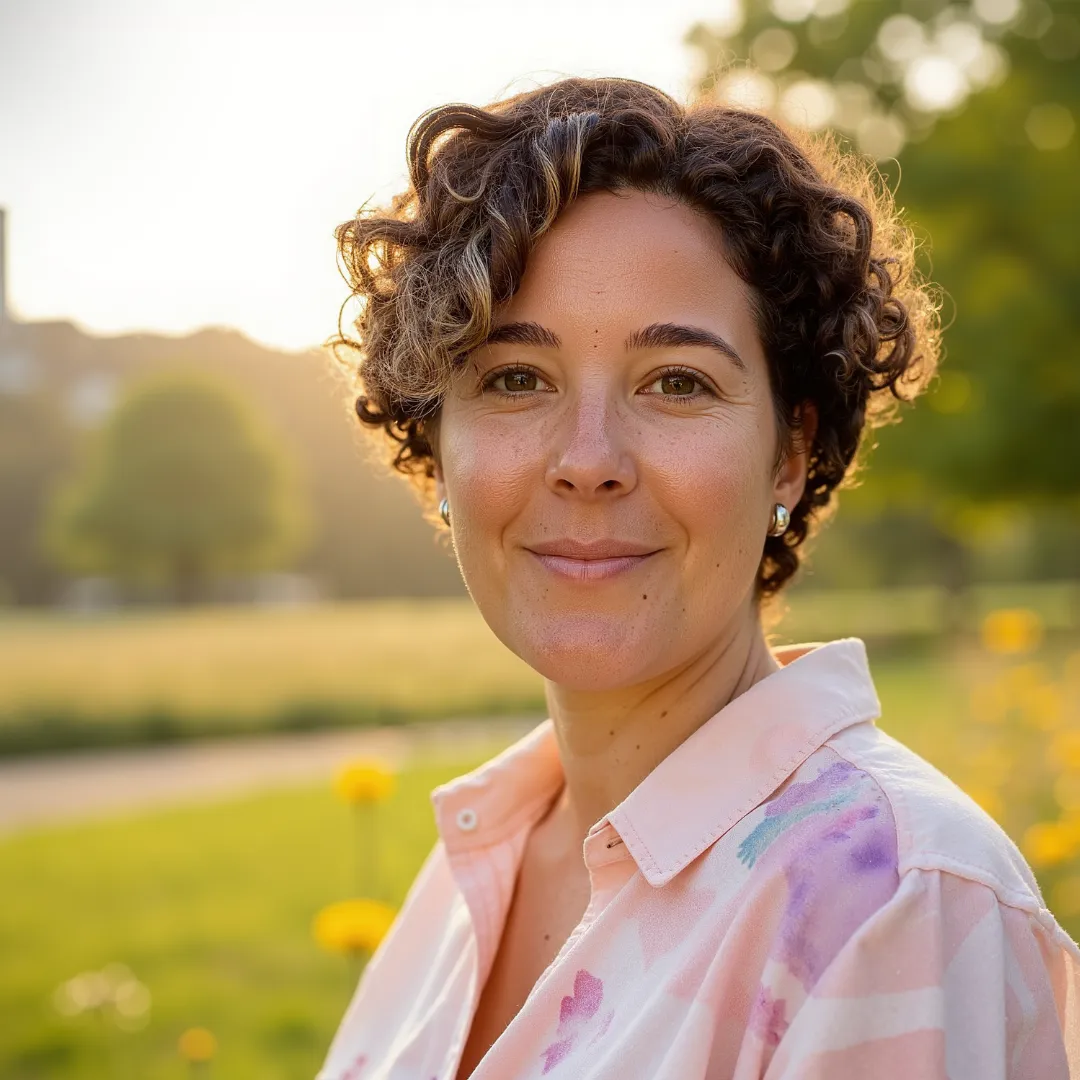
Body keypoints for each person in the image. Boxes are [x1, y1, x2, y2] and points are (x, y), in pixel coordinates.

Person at [319, 76, 1079, 1079]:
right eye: (515, 378)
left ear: (789, 453)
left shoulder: (892, 904)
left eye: (677, 382)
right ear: (438, 441)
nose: (587, 458)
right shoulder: (481, 857)